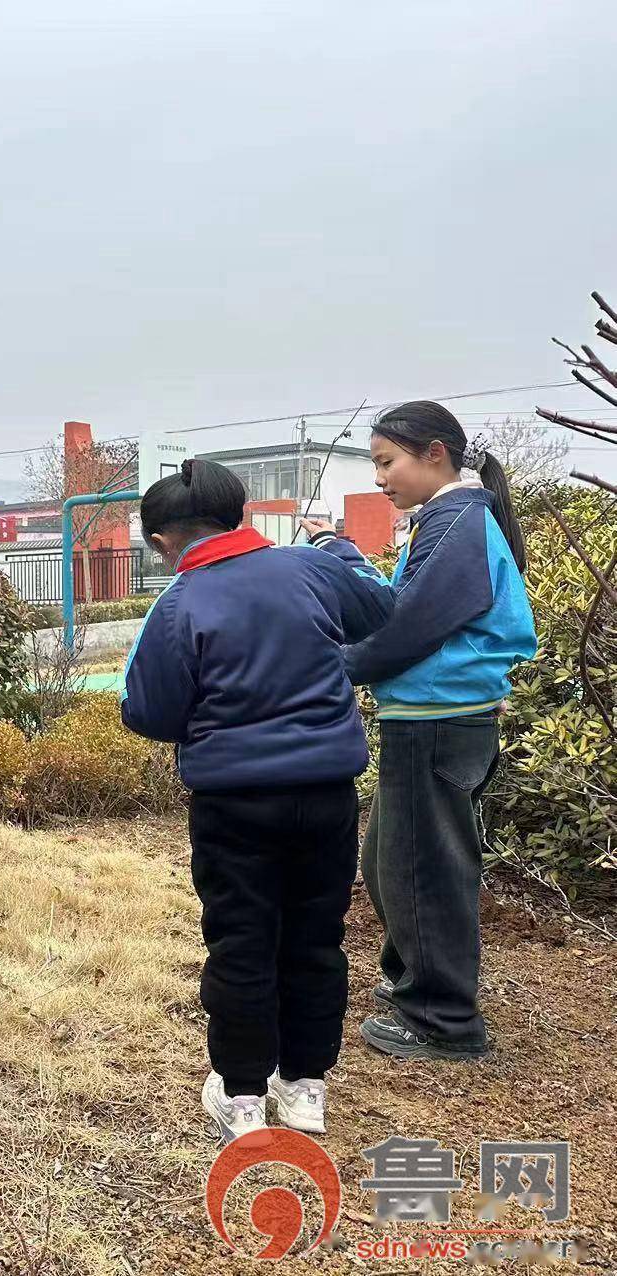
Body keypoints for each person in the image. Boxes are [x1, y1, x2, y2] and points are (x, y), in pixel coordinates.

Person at [120, 459, 394, 1143]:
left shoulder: (180, 602)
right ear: (237, 515)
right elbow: (381, 606)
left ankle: (242, 1099)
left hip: (234, 805)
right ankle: (304, 1090)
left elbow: (149, 711)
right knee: (315, 939)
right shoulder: (310, 569)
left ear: (161, 541)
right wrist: (337, 546)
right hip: (326, 795)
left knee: (242, 943)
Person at [303, 401, 536, 1063]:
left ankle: (441, 1016)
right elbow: (406, 608)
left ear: (435, 454)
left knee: (423, 869)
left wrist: (333, 670)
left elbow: (408, 626)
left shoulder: (458, 521)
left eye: (386, 461)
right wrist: (341, 552)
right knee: (390, 862)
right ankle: (416, 977)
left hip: (437, 720)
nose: (379, 477)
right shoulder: (449, 520)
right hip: (431, 715)